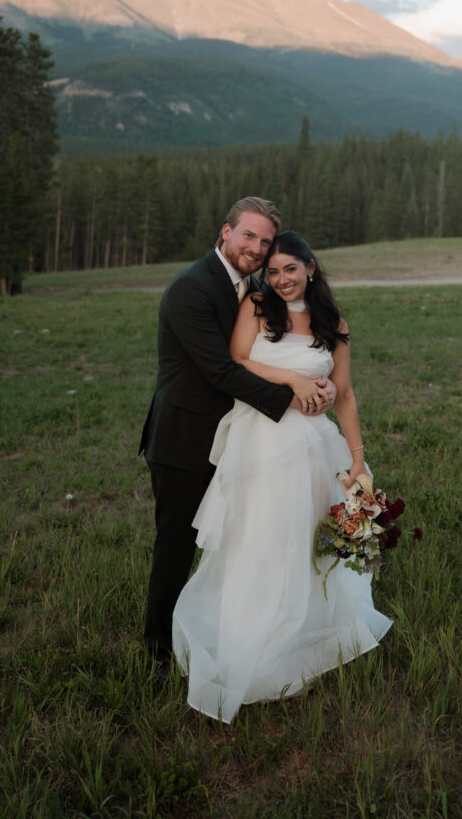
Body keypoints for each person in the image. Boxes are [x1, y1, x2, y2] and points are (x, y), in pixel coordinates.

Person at [172, 230, 392, 722]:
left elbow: (347, 394)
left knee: (307, 543)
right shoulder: (256, 307)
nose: (280, 279)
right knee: (263, 540)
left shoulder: (333, 322)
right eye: (272, 271)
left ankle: (300, 640)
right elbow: (237, 361)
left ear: (311, 267)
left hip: (316, 445)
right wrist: (292, 379)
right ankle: (252, 643)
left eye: (290, 268)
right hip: (263, 441)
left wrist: (358, 460)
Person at [140, 199, 336, 669]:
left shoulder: (252, 289)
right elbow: (221, 370)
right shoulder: (190, 289)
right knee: (176, 545)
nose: (255, 248)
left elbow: (264, 352)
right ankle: (158, 650)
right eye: (248, 236)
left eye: (264, 241)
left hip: (241, 439)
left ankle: (235, 629)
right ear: (225, 231)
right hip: (186, 438)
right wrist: (299, 392)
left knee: (241, 539)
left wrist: (315, 380)